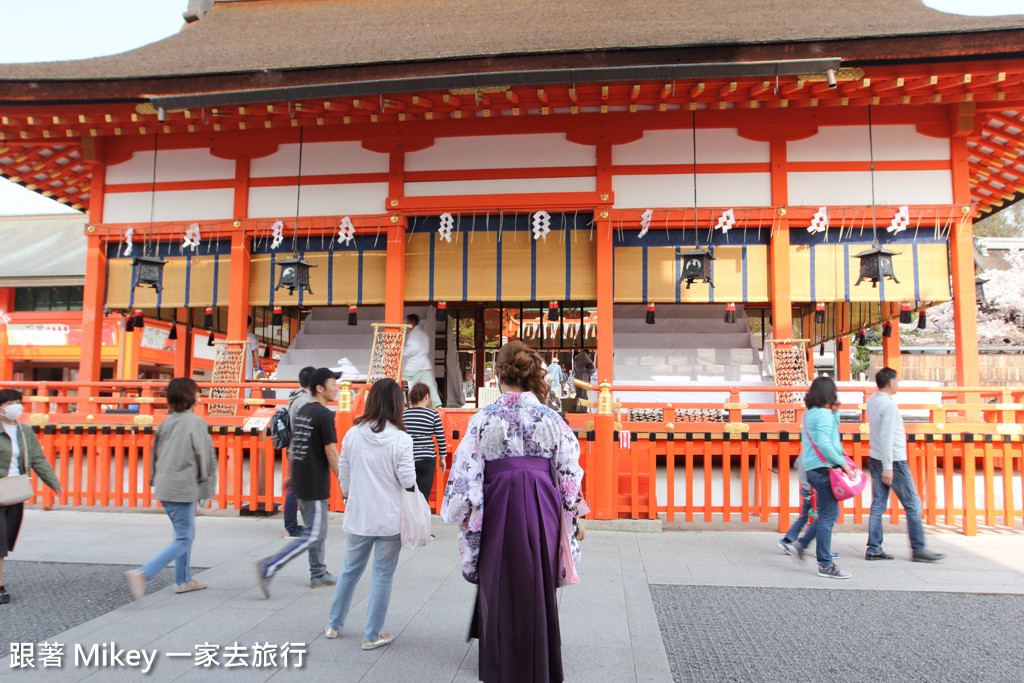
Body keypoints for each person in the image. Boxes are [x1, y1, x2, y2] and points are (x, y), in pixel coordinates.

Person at [442, 340, 583, 683]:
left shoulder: (483, 418)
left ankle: (499, 664)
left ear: (498, 376)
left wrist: (461, 511)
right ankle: (541, 663)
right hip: (541, 505)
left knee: (497, 583)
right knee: (537, 582)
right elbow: (569, 472)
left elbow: (466, 472)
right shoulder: (551, 418)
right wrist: (572, 516)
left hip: (498, 503)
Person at [325, 378, 416, 650]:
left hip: (359, 514)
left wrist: (347, 494)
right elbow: (408, 479)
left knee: (349, 570)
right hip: (389, 518)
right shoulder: (401, 438)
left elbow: (345, 468)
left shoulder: (354, 433)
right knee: (382, 575)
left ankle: (333, 624)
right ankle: (371, 634)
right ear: (397, 404)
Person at [125, 378, 215, 602]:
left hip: (165, 484)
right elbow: (204, 458)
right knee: (185, 537)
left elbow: (156, 453)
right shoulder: (196, 423)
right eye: (197, 392)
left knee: (183, 533)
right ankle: (142, 574)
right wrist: (204, 491)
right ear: (191, 396)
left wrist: (153, 478)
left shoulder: (166, 422)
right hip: (182, 486)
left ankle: (183, 580)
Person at [256, 367, 341, 596]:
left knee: (317, 531)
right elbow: (331, 452)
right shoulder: (323, 415)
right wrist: (345, 480)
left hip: (303, 479)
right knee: (314, 534)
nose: (337, 387)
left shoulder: (303, 411)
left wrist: (292, 476)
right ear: (320, 388)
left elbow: (299, 446)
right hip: (313, 481)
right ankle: (270, 565)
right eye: (332, 383)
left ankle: (318, 572)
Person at [865, 368, 945, 563]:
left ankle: (874, 547)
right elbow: (887, 437)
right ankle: (918, 548)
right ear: (890, 382)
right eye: (897, 380)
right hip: (893, 460)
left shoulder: (872, 401)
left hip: (876, 456)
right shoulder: (889, 406)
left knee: (878, 505)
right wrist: (888, 466)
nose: (898, 384)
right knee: (913, 504)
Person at [0, 389, 62, 606]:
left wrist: (53, 483)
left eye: (18, 402)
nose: (15, 407)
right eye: (9, 403)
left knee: (6, 540)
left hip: (14, 491)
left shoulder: (24, 432)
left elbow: (38, 459)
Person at [793, 376, 855, 579]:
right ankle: (825, 563)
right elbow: (827, 443)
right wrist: (844, 464)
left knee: (827, 515)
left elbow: (827, 435)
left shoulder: (809, 414)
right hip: (825, 468)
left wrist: (835, 413)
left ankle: (802, 544)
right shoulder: (823, 416)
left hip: (812, 468)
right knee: (828, 517)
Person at [283, 365, 316, 538]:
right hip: (301, 447)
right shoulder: (304, 401)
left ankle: (293, 525)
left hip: (295, 446)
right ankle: (290, 527)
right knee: (295, 489)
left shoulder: (296, 398)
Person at [403, 382, 447, 505]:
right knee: (423, 498)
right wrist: (442, 458)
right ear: (427, 397)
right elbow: (440, 438)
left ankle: (409, 522)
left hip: (408, 459)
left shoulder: (404, 414)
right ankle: (422, 523)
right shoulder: (433, 414)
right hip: (427, 459)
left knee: (408, 497)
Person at [404, 313, 441, 408]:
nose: (406, 323)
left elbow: (412, 349)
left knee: (403, 384)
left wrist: (402, 352)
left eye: (407, 321)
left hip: (414, 365)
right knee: (430, 386)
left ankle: (406, 404)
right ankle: (438, 405)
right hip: (424, 364)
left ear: (411, 323)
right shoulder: (423, 334)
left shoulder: (414, 334)